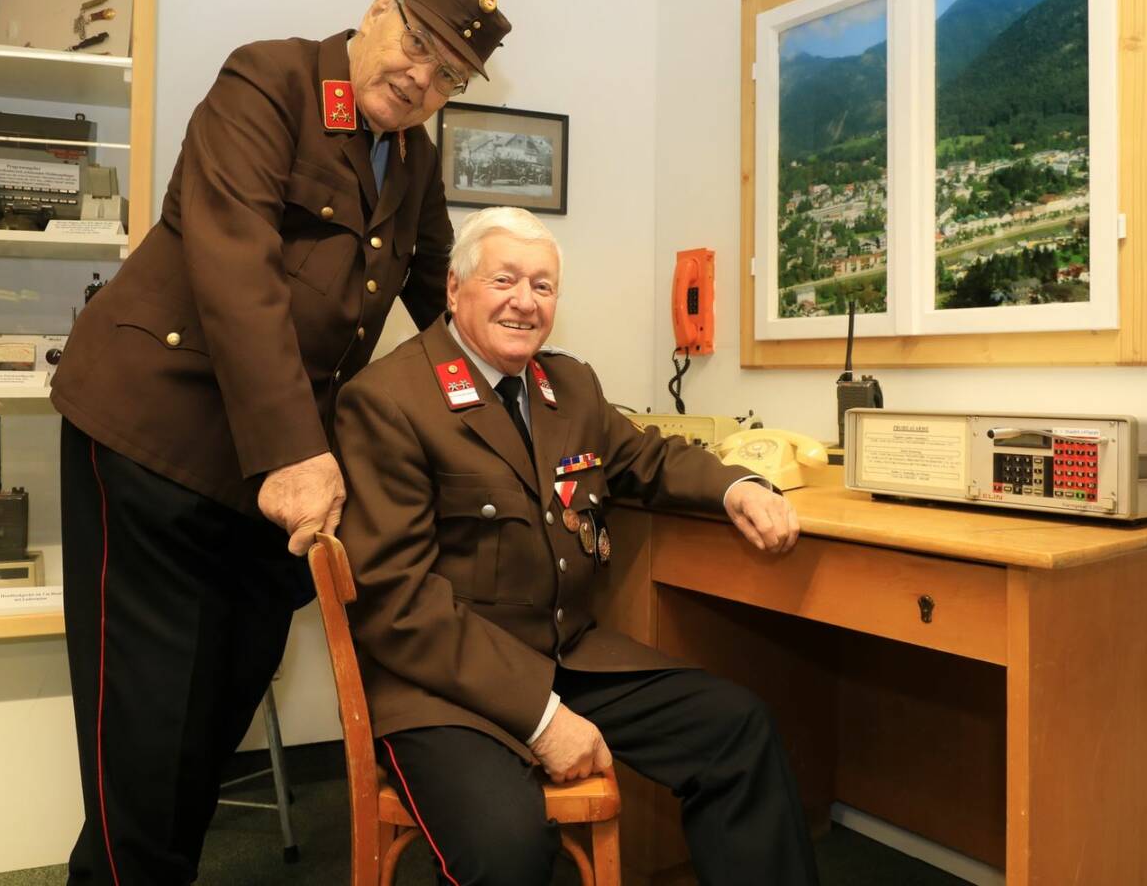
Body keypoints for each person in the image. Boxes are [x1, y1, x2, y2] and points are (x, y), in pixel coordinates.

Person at [49, 0, 512, 882]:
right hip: (155, 440)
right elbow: (236, 273)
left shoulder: (412, 159)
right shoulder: (269, 82)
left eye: (449, 74)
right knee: (144, 735)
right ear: (378, 12)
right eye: (418, 43)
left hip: (264, 475)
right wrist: (299, 452)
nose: (422, 78)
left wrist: (521, 397)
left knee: (210, 720)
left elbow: (441, 301)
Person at [333, 207, 822, 886]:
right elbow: (398, 604)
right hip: (444, 689)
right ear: (454, 287)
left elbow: (648, 458)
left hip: (565, 658)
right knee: (506, 848)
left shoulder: (567, 386)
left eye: (543, 285)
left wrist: (736, 486)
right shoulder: (388, 399)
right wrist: (542, 720)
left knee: (738, 729)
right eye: (504, 279)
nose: (525, 301)